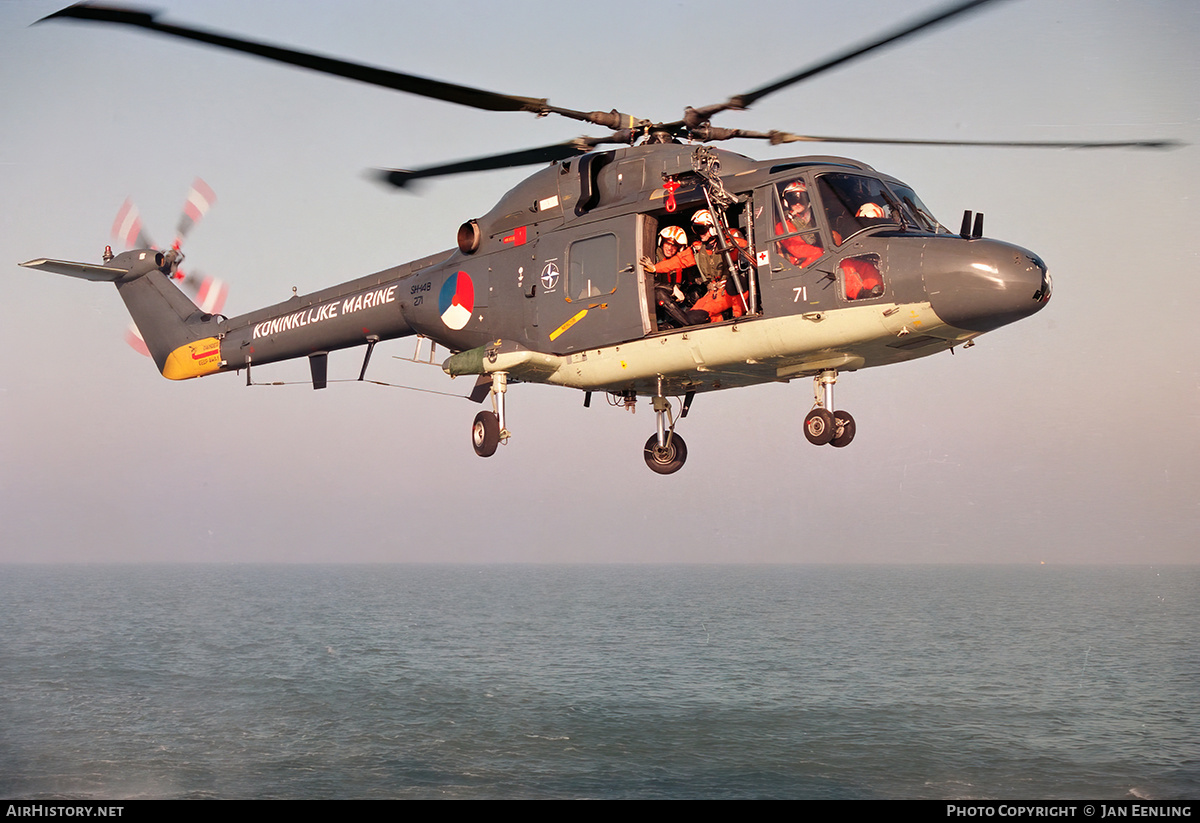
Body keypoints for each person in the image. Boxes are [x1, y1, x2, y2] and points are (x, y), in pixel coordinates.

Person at [642, 209, 750, 323]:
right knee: (691, 317)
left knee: (736, 284)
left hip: (729, 293)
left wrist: (733, 242)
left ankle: (735, 316)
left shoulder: (728, 245)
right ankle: (723, 317)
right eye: (696, 230)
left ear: (713, 229)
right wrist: (655, 268)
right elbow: (679, 261)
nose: (700, 233)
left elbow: (749, 251)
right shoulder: (698, 250)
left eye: (702, 229)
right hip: (713, 292)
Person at [773, 180, 824, 268]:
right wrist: (824, 251)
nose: (797, 203)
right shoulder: (783, 226)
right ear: (786, 201)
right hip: (798, 267)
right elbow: (798, 250)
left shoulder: (814, 222)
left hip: (816, 261)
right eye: (793, 198)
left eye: (802, 198)